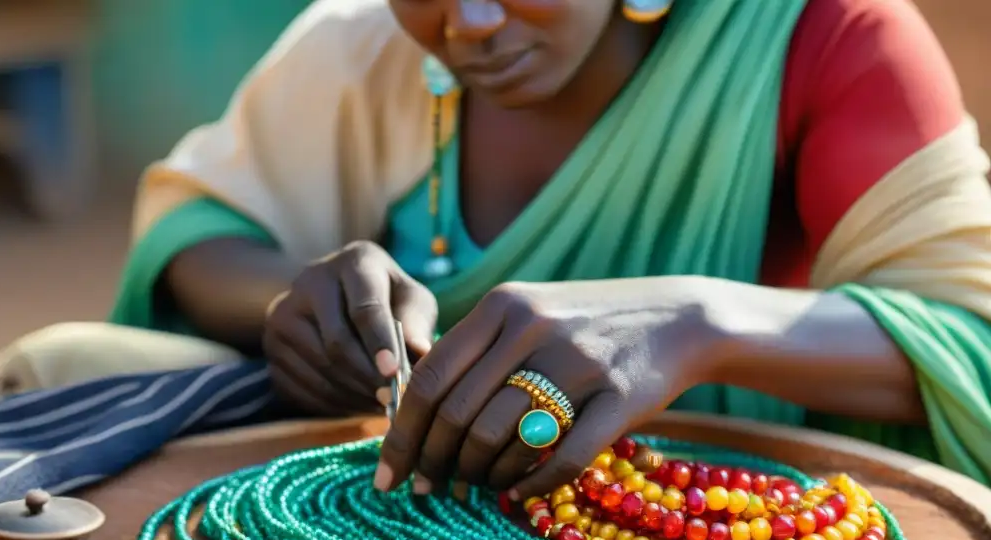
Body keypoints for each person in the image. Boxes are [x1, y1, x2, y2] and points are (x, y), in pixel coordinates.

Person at [110, 0, 991, 501]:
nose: (473, 22)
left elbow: (969, 340)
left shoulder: (825, 40)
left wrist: (698, 323)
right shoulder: (363, 46)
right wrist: (296, 309)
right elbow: (197, 235)